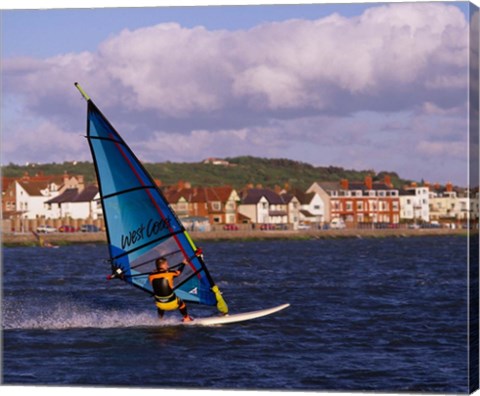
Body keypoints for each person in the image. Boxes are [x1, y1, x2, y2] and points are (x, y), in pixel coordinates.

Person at [148, 257, 193, 322]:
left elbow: (157, 278)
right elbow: (178, 272)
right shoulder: (170, 273)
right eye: (166, 264)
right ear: (163, 265)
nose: (168, 266)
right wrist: (183, 263)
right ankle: (186, 318)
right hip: (172, 302)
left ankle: (160, 319)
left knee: (160, 301)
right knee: (182, 303)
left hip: (160, 304)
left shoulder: (150, 276)